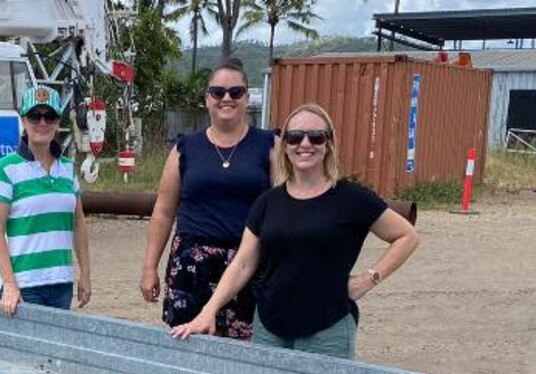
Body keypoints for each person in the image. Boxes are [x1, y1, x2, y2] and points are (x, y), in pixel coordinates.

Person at [170, 103, 419, 360]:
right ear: (285, 146)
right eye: (295, 137)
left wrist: (369, 279)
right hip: (269, 328)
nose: (305, 144)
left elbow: (406, 236)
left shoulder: (352, 198)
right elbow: (242, 263)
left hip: (327, 330)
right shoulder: (268, 202)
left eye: (316, 136)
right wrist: (208, 311)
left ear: (329, 143)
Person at [140, 57, 276, 340]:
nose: (226, 98)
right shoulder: (184, 148)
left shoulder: (269, 145)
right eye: (218, 92)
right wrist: (149, 267)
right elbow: (164, 211)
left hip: (247, 264)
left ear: (246, 98)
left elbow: (284, 209)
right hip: (191, 268)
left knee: (246, 352)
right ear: (207, 98)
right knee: (187, 346)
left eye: (235, 92)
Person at [0, 86, 92, 316]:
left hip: (61, 283)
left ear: (57, 123)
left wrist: (85, 273)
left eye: (49, 116)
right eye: (35, 116)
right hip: (24, 286)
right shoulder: (5, 169)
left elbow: (79, 223)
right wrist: (10, 284)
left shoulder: (67, 169)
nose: (42, 122)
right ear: (24, 121)